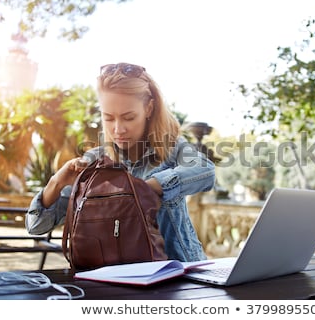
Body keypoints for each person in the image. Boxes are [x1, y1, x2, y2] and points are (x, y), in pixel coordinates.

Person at [26, 62, 215, 262]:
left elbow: (206, 171)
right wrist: (56, 182)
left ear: (149, 108)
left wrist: (145, 188)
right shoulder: (93, 161)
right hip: (113, 277)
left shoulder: (172, 147)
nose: (118, 129)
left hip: (180, 271)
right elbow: (36, 226)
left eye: (128, 117)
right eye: (108, 118)